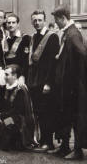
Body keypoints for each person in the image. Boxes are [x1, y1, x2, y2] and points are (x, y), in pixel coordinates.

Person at [52, 5, 87, 160]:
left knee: (77, 117)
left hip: (74, 86)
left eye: (56, 20)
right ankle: (64, 147)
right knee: (66, 114)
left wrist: (73, 75)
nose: (56, 23)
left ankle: (78, 151)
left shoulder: (73, 33)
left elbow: (81, 54)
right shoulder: (68, 32)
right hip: (69, 85)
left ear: (62, 18)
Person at [27, 10, 60, 153]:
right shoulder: (33, 37)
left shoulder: (52, 37)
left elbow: (53, 63)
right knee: (39, 112)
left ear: (45, 20)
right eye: (34, 20)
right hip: (34, 80)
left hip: (45, 80)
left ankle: (48, 143)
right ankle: (41, 141)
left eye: (40, 20)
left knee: (47, 112)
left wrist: (49, 83)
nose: (37, 23)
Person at [0, 64, 35, 151]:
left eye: (7, 74)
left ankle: (8, 146)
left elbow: (18, 110)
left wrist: (1, 116)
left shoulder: (20, 89)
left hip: (19, 118)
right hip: (8, 115)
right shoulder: (6, 87)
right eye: (5, 74)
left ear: (15, 76)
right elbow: (0, 103)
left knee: (5, 123)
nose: (4, 77)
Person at [5, 13, 31, 78]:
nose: (11, 25)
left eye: (13, 22)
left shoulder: (25, 38)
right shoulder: (4, 40)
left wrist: (23, 76)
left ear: (18, 24)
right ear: (6, 24)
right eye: (9, 23)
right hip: (7, 74)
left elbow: (26, 60)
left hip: (19, 74)